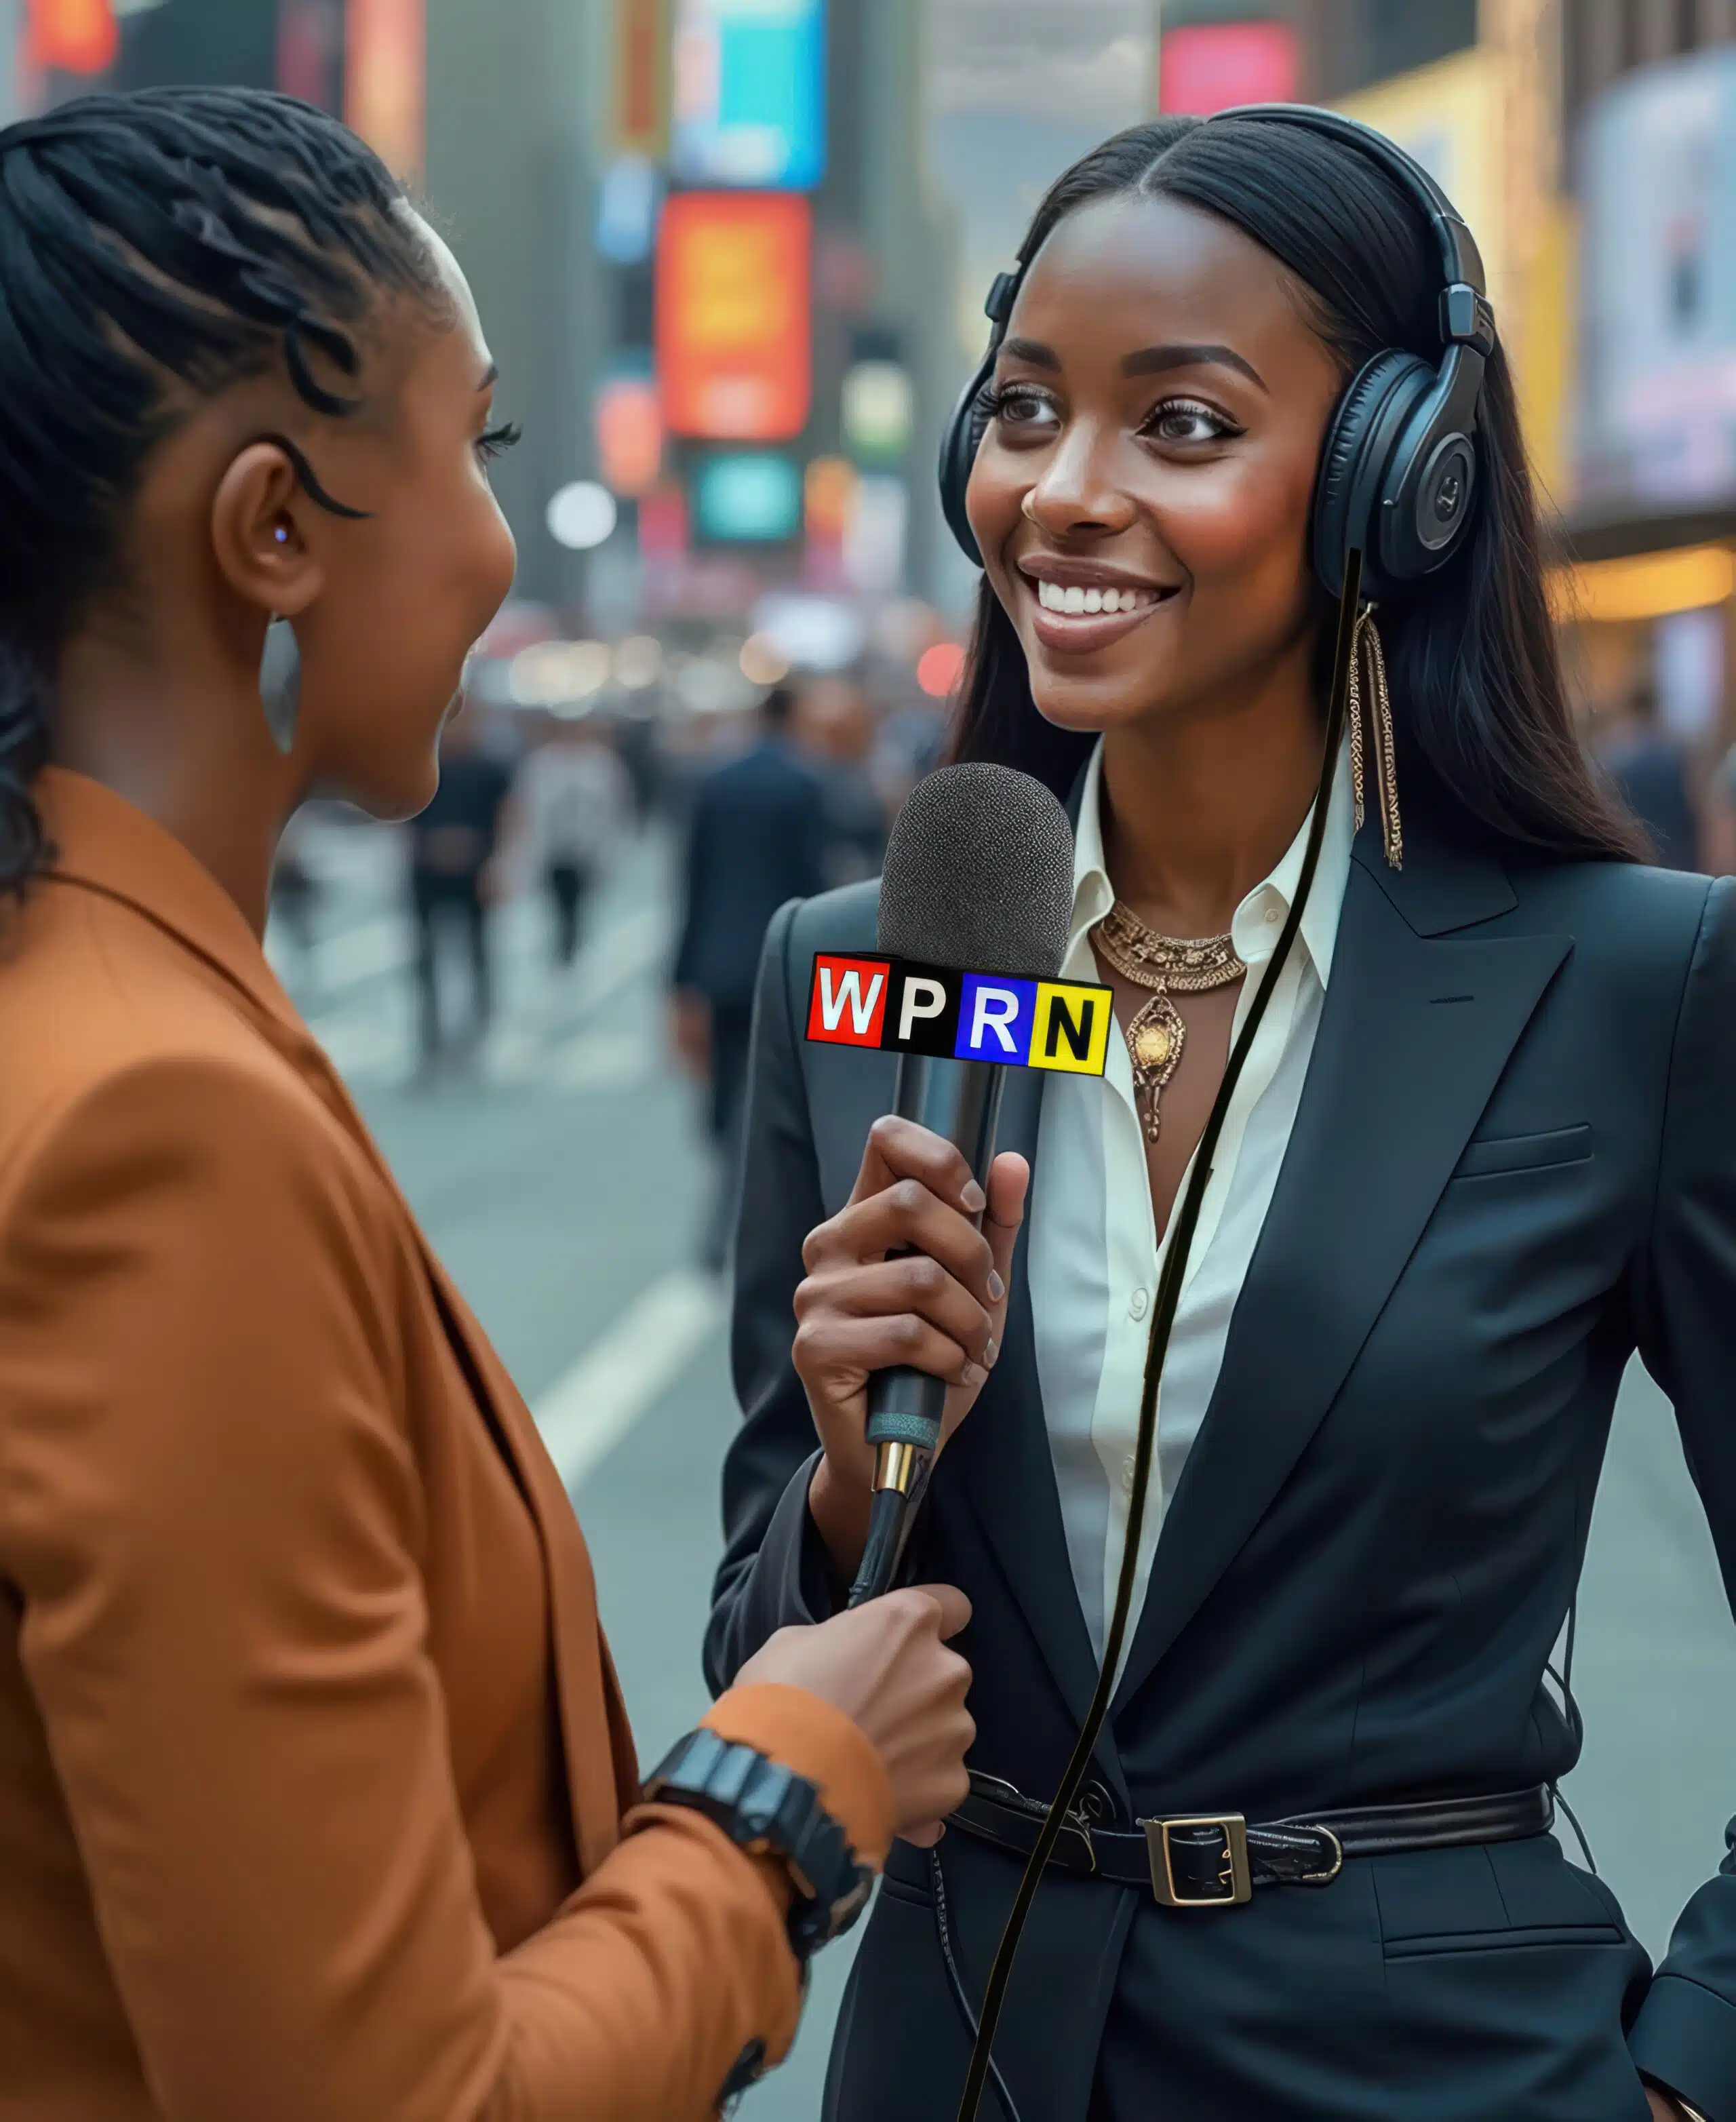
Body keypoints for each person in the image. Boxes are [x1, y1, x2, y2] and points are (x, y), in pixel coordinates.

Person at [706, 109, 1733, 2122]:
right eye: (1022, 412)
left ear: (1392, 485)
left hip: (1456, 2070)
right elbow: (762, 1644)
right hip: (960, 2052)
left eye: (1178, 424)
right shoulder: (869, 963)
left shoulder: (1634, 980)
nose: (1061, 497)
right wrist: (844, 1479)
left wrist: (1690, 2064)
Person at [0, 88, 977, 2121]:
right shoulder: (155, 1127)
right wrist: (781, 1793)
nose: (499, 538)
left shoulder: (101, 1011)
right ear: (273, 527)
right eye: (482, 443)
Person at [671, 682, 828, 1266]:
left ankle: (725, 1222)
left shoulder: (714, 781)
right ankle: (744, 1226)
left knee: (725, 1100)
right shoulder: (806, 784)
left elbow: (691, 885)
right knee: (773, 1100)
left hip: (718, 964)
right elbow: (815, 886)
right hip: (787, 962)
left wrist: (680, 983)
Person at [408, 701, 515, 1067]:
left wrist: (498, 865)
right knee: (426, 955)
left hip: (475, 871)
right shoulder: (421, 768)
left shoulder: (490, 769)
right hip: (427, 871)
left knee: (477, 951)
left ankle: (480, 1024)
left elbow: (508, 816)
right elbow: (398, 818)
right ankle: (431, 1032)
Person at [519, 711, 633, 968]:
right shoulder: (541, 763)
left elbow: (615, 805)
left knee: (579, 900)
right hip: (553, 848)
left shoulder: (602, 763)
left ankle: (573, 941)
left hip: (587, 848)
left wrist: (609, 844)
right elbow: (528, 805)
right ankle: (561, 941)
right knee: (556, 899)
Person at [1600, 677, 1701, 871]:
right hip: (1674, 854)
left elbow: (1609, 805)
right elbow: (1691, 808)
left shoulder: (1614, 753)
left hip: (1632, 854)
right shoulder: (1675, 752)